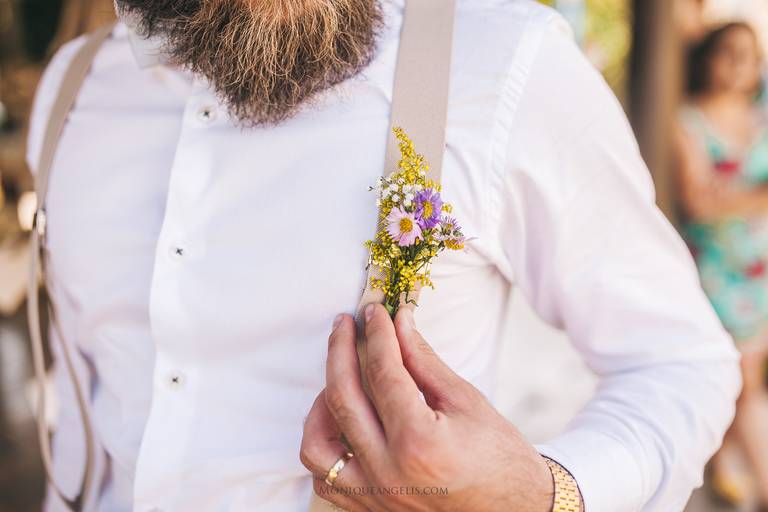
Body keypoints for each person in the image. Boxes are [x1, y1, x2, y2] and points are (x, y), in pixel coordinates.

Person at [27, 1, 740, 511]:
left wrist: (545, 493)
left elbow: (679, 362)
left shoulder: (505, 65)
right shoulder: (74, 91)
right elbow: (91, 402)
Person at [676, 21, 768, 511]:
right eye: (727, 53)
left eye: (748, 55)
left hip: (760, 270)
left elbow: (719, 197)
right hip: (713, 268)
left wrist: (732, 197)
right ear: (708, 58)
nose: (737, 65)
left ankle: (721, 466)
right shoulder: (686, 120)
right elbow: (700, 203)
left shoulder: (761, 118)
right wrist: (755, 198)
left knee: (744, 380)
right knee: (743, 380)